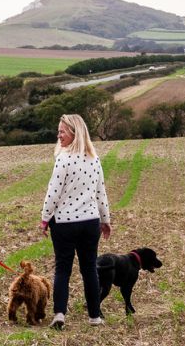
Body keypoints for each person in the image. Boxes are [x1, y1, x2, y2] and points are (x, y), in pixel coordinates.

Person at [39, 114, 112, 329]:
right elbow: (101, 193)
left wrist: (44, 218)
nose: (58, 135)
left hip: (64, 223)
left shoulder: (63, 159)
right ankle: (95, 317)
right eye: (58, 131)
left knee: (63, 269)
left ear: (75, 133)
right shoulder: (94, 159)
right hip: (91, 222)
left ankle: (60, 315)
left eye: (62, 131)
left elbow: (53, 193)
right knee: (90, 269)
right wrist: (105, 219)